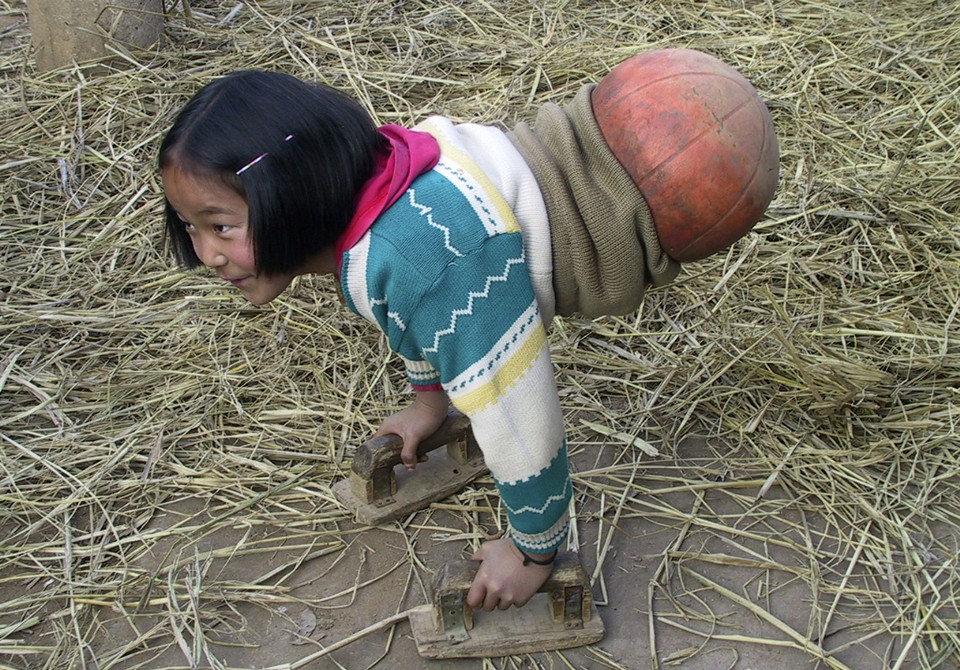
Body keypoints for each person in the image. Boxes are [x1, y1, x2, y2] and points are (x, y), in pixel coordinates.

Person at [158, 69, 688, 612]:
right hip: (633, 120)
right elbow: (420, 315)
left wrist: (535, 551)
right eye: (190, 226)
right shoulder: (384, 188)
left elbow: (515, 403)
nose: (207, 254)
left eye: (221, 226)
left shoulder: (423, 257)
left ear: (294, 194)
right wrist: (430, 404)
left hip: (653, 188)